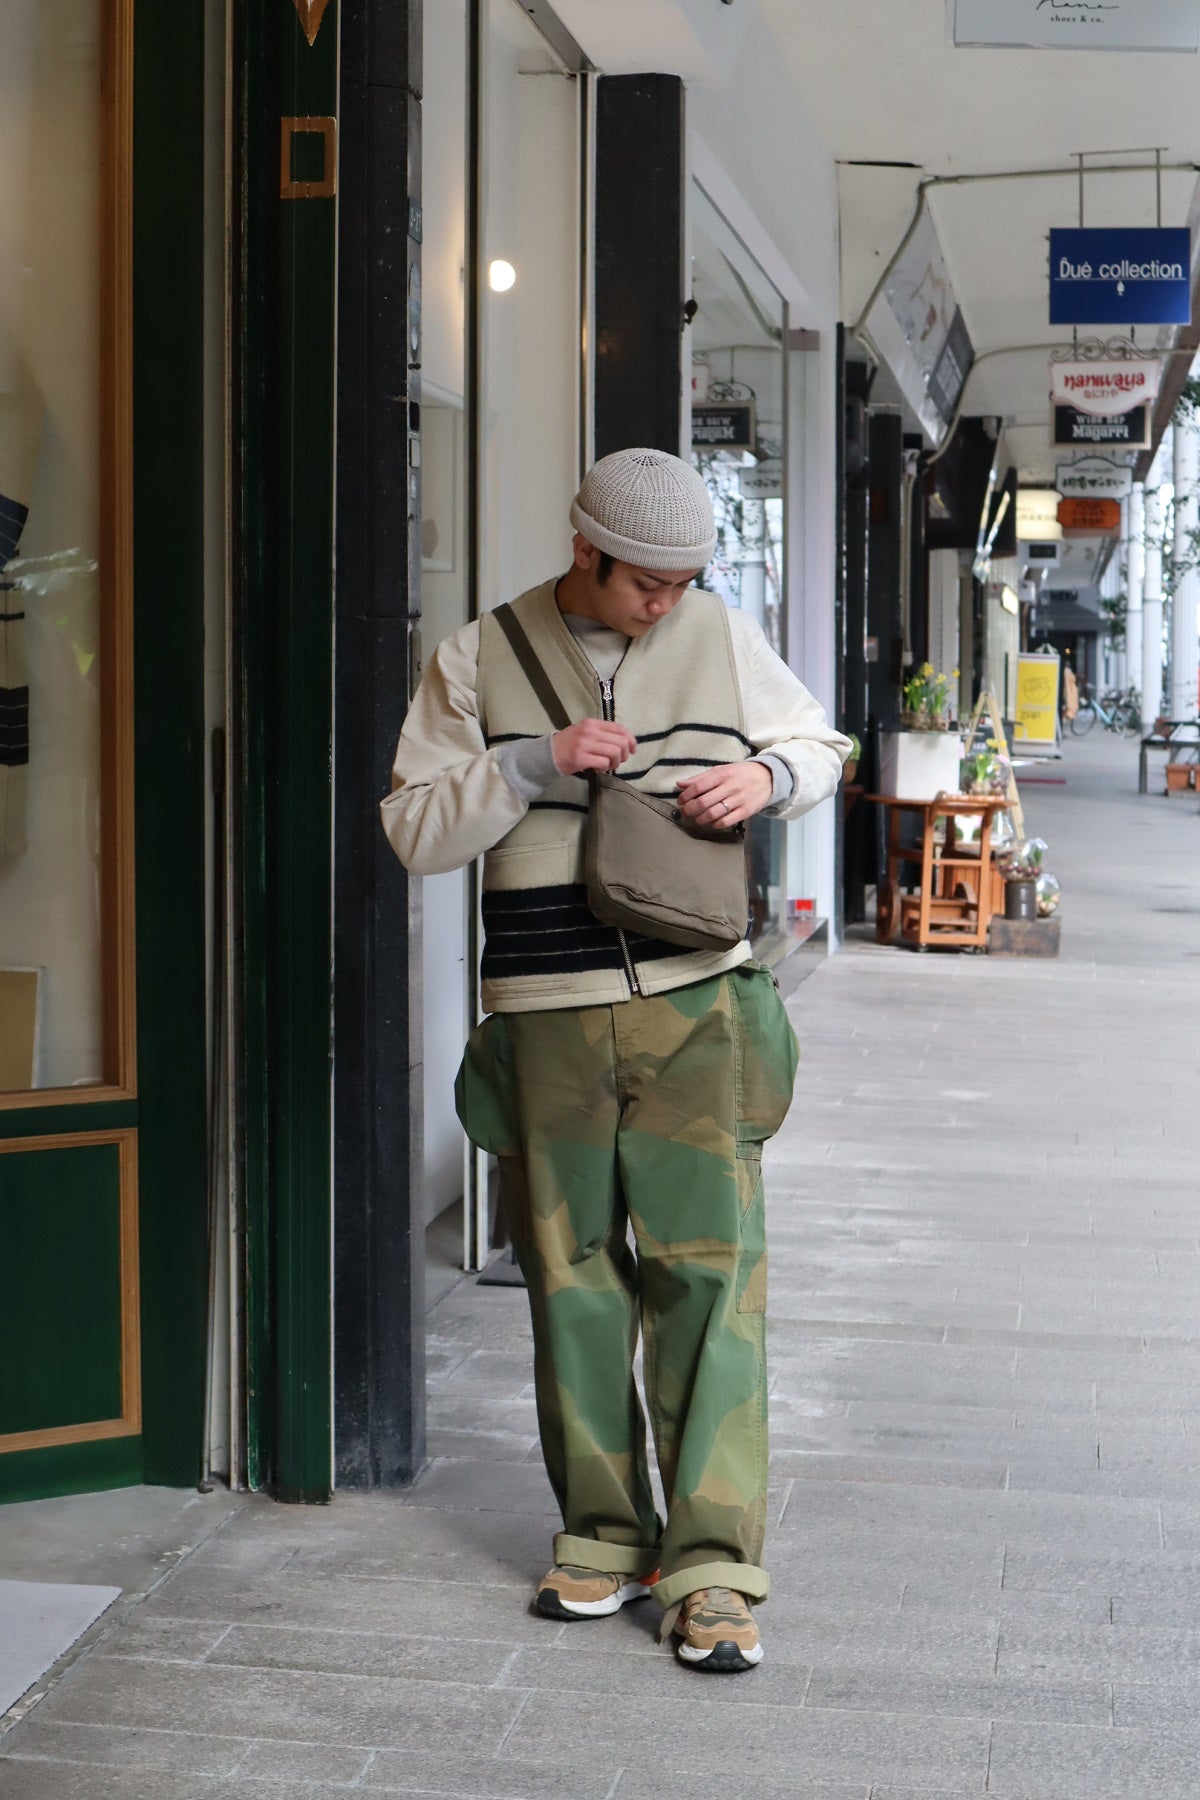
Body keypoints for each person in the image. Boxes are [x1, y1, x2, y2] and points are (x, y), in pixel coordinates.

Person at [382, 448, 850, 1672]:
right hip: (546, 1014)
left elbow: (821, 745)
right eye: (649, 582)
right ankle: (600, 1538)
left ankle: (713, 1572)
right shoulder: (479, 657)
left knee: (710, 1284)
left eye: (688, 579)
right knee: (570, 1283)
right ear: (585, 551)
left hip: (699, 1002)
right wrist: (529, 766)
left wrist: (763, 776)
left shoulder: (718, 632)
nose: (670, 603)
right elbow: (411, 828)